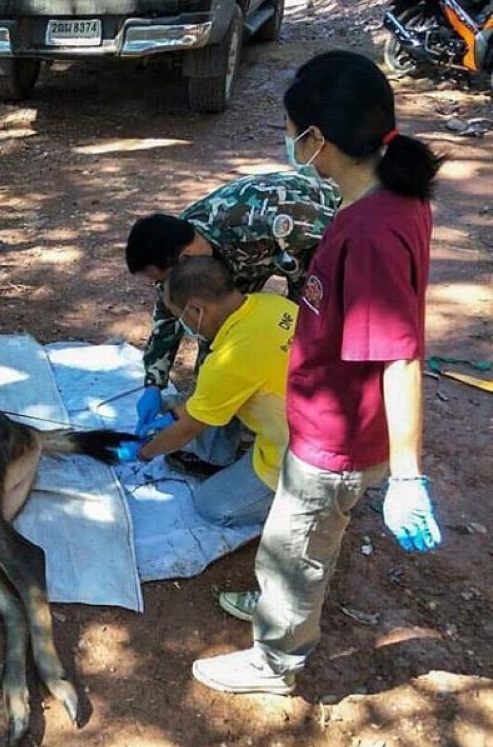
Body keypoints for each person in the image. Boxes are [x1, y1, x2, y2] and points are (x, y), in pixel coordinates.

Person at [191, 50, 444, 696]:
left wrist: (408, 474)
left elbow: (401, 355)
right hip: (327, 423)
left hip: (336, 441)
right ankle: (282, 604)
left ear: (319, 140)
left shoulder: (372, 232)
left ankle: (275, 660)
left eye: (292, 130)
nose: (289, 141)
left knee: (296, 541)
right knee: (297, 540)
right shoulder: (386, 197)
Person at [124, 171, 339, 477]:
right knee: (222, 356)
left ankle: (310, 436)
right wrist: (153, 383)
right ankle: (217, 447)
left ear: (184, 261)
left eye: (161, 280)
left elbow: (326, 259)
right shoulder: (177, 247)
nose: (161, 287)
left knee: (303, 344)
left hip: (313, 238)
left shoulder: (261, 221)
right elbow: (170, 316)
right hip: (254, 260)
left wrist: (302, 327)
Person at [115, 257, 296, 532]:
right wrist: (171, 409)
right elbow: (210, 399)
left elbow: (187, 429)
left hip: (306, 455)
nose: (185, 325)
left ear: (196, 310)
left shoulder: (229, 360)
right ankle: (222, 454)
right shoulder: (272, 304)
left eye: (180, 317)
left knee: (211, 506)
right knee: (197, 400)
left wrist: (143, 452)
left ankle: (304, 502)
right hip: (321, 415)